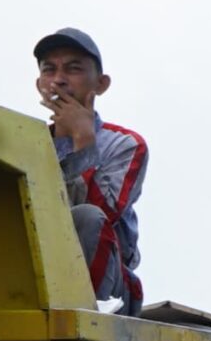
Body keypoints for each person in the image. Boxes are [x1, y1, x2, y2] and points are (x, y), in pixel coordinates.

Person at [32, 28, 146, 307]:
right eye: (49, 70)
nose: (58, 80)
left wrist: (83, 141)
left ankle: (87, 314)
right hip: (38, 276)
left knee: (86, 217)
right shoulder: (27, 142)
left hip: (109, 292)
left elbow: (101, 214)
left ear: (101, 84)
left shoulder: (125, 144)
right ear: (39, 84)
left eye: (73, 69)